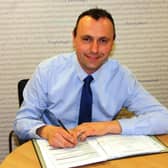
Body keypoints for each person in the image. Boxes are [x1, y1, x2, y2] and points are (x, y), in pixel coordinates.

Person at [14, 8, 168, 148]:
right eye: (87, 39)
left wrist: (108, 126)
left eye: (103, 41)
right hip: (54, 152)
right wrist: (45, 131)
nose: (94, 49)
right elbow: (22, 121)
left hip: (102, 153)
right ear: (74, 38)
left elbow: (163, 118)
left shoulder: (122, 77)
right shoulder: (47, 71)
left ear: (112, 43)